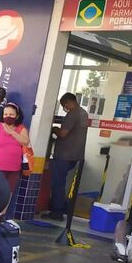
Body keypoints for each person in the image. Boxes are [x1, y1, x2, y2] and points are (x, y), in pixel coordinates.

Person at [43, 93, 88, 221]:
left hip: (64, 155)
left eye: (64, 105)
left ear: (68, 102)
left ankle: (57, 212)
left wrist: (54, 129)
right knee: (61, 182)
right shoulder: (83, 113)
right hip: (75, 155)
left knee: (58, 183)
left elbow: (63, 134)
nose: (65, 108)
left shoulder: (73, 114)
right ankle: (61, 207)